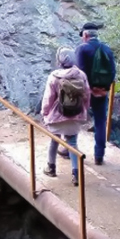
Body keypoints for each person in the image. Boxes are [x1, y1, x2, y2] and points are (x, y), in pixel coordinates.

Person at [40, 46, 90, 186]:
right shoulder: (81, 75)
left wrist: (45, 113)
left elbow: (48, 98)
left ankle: (51, 167)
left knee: (54, 141)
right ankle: (76, 174)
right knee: (72, 144)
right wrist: (84, 111)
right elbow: (87, 96)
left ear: (59, 59)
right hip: (75, 116)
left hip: (57, 117)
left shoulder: (54, 76)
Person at [76, 22, 117, 165]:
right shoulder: (106, 49)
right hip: (102, 92)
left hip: (85, 92)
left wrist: (88, 89)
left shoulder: (82, 49)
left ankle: (69, 148)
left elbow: (79, 73)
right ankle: (99, 155)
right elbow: (112, 72)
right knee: (100, 122)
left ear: (86, 35)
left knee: (75, 118)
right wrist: (103, 89)